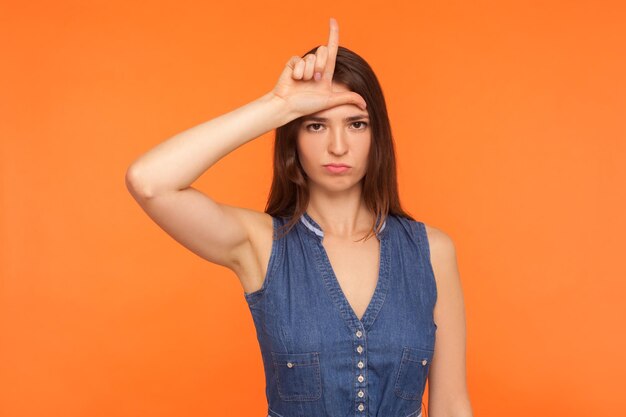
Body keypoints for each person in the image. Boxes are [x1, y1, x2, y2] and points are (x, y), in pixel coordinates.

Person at [125, 17, 473, 417]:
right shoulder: (260, 244)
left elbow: (451, 404)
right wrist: (279, 106)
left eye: (356, 125)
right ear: (293, 138)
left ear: (377, 137)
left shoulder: (431, 251)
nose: (338, 146)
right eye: (316, 125)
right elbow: (149, 181)